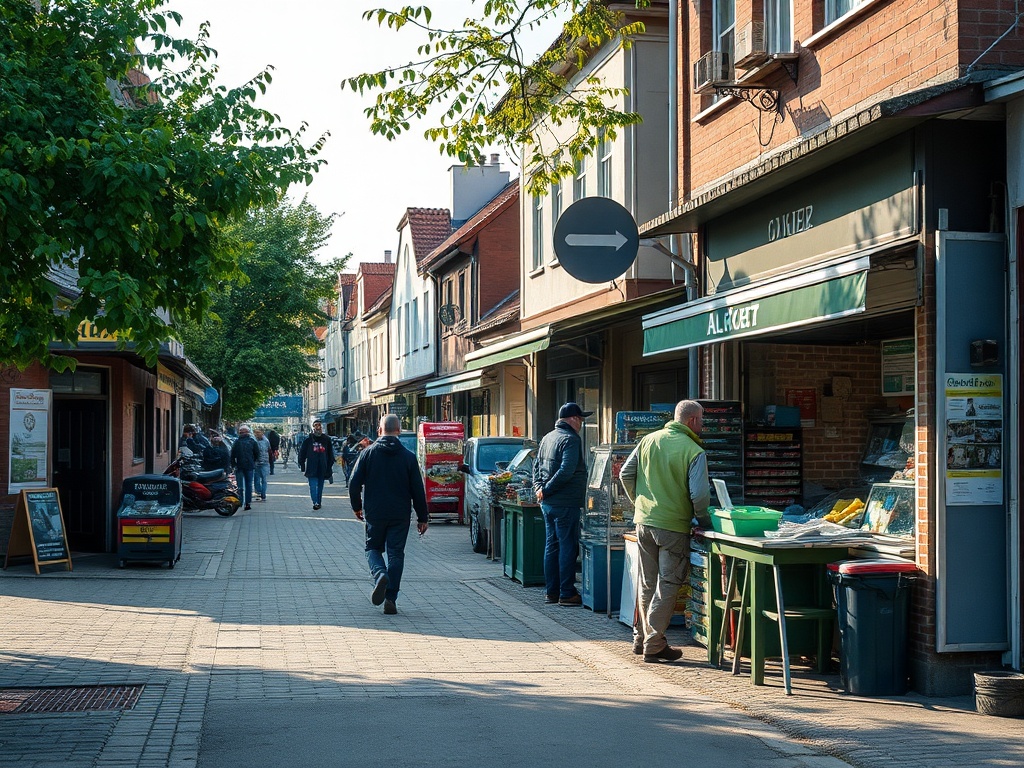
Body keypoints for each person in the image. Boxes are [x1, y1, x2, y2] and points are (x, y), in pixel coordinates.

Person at [619, 399, 712, 664]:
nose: (703, 424)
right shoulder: (694, 450)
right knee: (668, 584)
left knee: (647, 583)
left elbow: (626, 473)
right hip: (673, 525)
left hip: (644, 523)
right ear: (692, 420)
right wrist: (703, 521)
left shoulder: (649, 440)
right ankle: (654, 643)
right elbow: (700, 495)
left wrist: (639, 503)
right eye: (702, 419)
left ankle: (641, 637)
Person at [349, 414, 428, 615]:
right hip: (400, 514)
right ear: (399, 431)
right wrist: (422, 517)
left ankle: (380, 574)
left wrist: (357, 507)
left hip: (375, 512)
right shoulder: (409, 457)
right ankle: (391, 598)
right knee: (396, 554)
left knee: (372, 548)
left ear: (379, 430)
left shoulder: (367, 454)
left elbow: (353, 483)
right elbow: (418, 489)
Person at [533, 402, 591, 607]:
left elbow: (536, 467)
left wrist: (540, 489)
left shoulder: (548, 437)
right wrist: (546, 489)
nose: (582, 423)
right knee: (567, 546)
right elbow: (566, 470)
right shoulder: (571, 439)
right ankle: (566, 593)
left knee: (552, 546)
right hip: (565, 502)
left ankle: (552, 592)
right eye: (581, 419)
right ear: (573, 419)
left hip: (548, 503)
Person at [298, 420, 334, 510]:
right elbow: (302, 453)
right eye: (316, 425)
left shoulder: (326, 439)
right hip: (311, 467)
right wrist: (302, 464)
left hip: (323, 467)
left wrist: (329, 467)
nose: (318, 427)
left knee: (320, 487)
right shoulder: (308, 440)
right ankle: (315, 502)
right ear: (313, 427)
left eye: (319, 426)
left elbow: (330, 454)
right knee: (313, 486)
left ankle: (319, 502)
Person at [230, 425, 260, 510]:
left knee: (241, 486)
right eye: (241, 432)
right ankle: (247, 503)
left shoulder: (237, 442)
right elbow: (257, 454)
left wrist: (234, 465)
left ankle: (241, 501)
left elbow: (232, 455)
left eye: (243, 432)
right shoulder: (252, 441)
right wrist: (252, 461)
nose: (242, 433)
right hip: (248, 466)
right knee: (248, 485)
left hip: (240, 466)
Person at [253, 428, 271, 502]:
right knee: (256, 480)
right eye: (256, 433)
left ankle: (263, 494)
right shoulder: (254, 440)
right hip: (256, 463)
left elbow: (269, 449)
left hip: (264, 463)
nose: (257, 434)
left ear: (262, 433)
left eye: (258, 432)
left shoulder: (266, 441)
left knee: (264, 479)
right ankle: (259, 492)